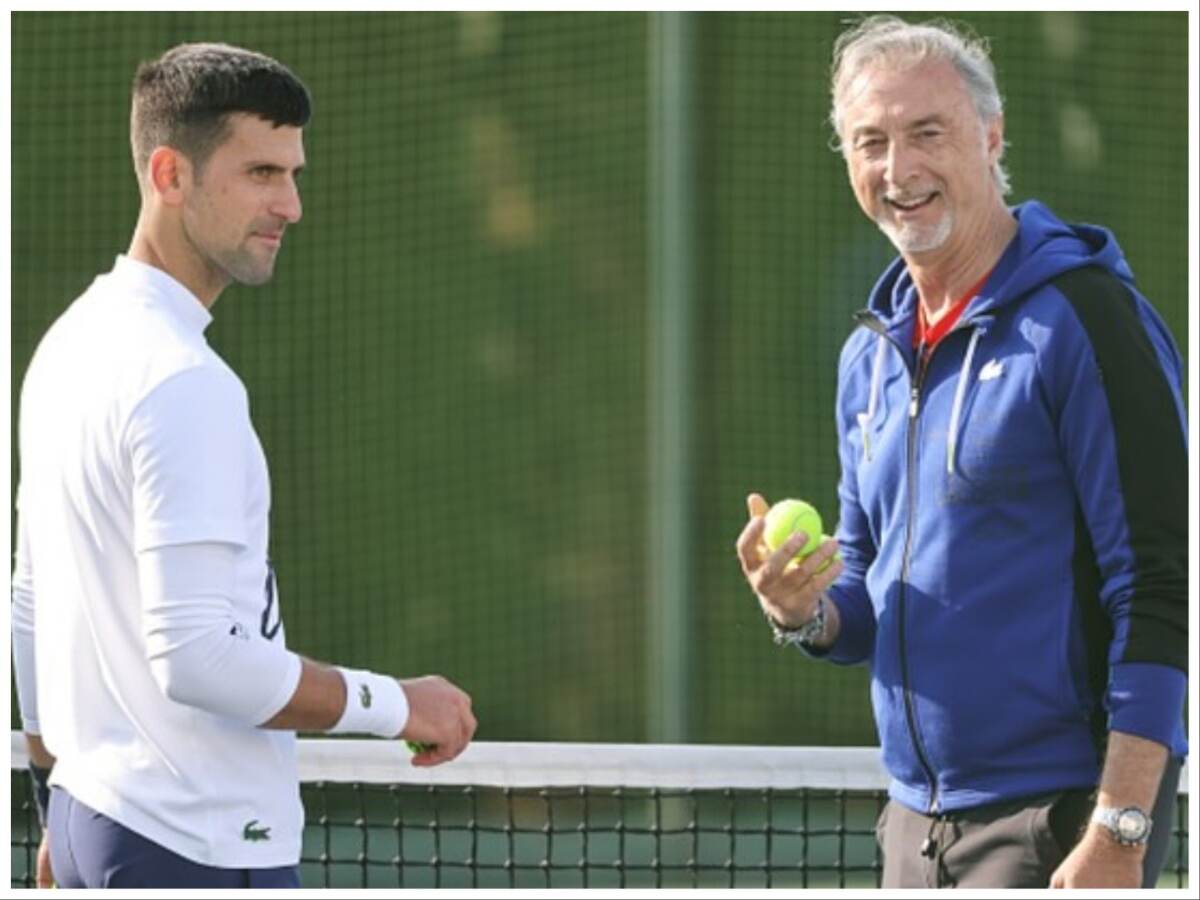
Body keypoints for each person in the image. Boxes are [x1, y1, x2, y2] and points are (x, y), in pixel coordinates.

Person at [10, 43, 477, 889]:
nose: (290, 205)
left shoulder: (66, 344)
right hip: (190, 849)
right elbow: (197, 660)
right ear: (169, 174)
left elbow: (29, 602)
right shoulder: (185, 383)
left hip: (100, 828)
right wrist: (399, 703)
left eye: (293, 173)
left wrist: (61, 796)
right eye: (261, 172)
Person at [736, 16, 1186, 889]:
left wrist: (1121, 829)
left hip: (1063, 818)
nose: (899, 171)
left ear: (991, 135)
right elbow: (862, 589)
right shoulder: (867, 355)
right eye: (871, 142)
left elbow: (1165, 584)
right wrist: (804, 608)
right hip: (912, 825)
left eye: (926, 134)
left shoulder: (1087, 321)